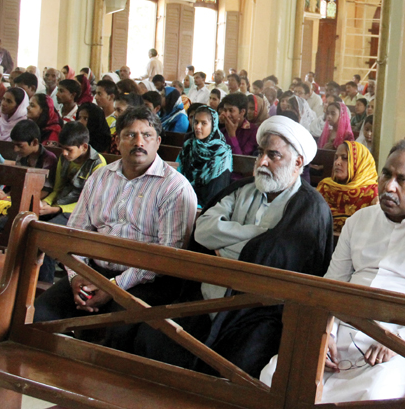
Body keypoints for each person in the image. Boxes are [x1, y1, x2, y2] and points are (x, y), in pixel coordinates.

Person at [261, 140, 405, 402]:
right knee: (275, 374)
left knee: (374, 394)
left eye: (402, 180)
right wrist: (326, 333)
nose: (389, 186)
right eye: (386, 174)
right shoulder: (358, 221)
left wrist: (399, 342)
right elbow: (332, 286)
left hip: (401, 342)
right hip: (341, 330)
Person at [135, 115, 333, 376]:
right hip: (207, 298)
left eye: (273, 156)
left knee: (237, 367)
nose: (262, 162)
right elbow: (203, 231)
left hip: (259, 312)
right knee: (151, 338)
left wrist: (227, 246)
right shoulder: (243, 189)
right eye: (261, 153)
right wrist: (259, 234)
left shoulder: (310, 208)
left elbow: (270, 258)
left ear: (297, 162)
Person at [33, 107, 198, 350]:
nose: (138, 142)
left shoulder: (174, 188)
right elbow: (75, 234)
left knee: (116, 335)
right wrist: (77, 275)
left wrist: (114, 287)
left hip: (144, 281)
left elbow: (165, 257)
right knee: (40, 316)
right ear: (117, 141)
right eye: (130, 135)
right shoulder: (101, 178)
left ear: (158, 142)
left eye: (146, 135)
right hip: (92, 272)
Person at [37, 121, 107, 282]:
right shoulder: (65, 158)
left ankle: (43, 283)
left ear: (83, 146)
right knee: (27, 225)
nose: (64, 153)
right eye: (62, 148)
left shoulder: (98, 164)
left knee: (47, 237)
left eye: (69, 150)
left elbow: (91, 203)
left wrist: (58, 209)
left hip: (81, 213)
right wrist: (46, 203)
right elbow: (57, 188)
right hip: (59, 207)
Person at [316, 141, 379, 234]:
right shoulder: (325, 187)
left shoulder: (373, 194)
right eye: (336, 158)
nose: (337, 162)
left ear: (360, 163)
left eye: (344, 158)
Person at [176, 106, 232, 208]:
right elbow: (177, 174)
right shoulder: (189, 145)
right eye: (196, 122)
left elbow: (217, 189)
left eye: (203, 123)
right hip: (183, 198)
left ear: (213, 125)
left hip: (208, 204)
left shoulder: (221, 153)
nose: (197, 127)